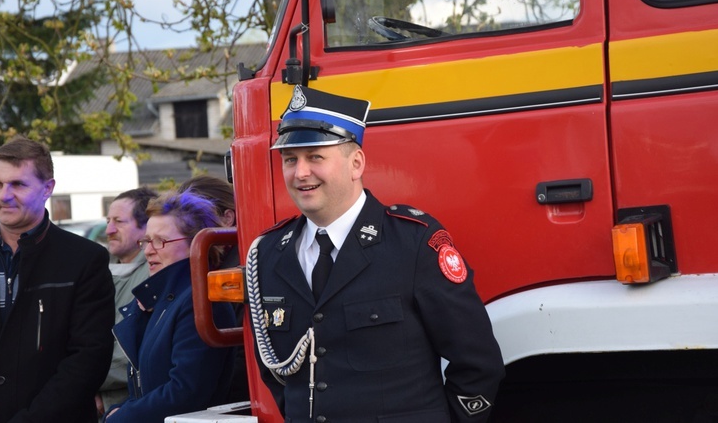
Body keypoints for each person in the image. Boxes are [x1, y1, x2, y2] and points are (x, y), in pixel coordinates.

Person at [247, 86, 505, 422]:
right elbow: (277, 373)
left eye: (315, 157)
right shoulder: (268, 253)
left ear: (356, 164)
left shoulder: (413, 243)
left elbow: (478, 363)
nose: (300, 173)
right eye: (290, 159)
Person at [0, 135, 115, 422]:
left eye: (18, 184)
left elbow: (88, 359)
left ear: (48, 188)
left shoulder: (84, 260)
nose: (3, 195)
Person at [105, 190, 237, 422]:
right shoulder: (164, 300)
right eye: (146, 241)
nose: (148, 250)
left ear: (196, 245)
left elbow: (186, 391)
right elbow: (145, 386)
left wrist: (121, 416)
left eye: (160, 241)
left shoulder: (200, 300)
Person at [178, 174, 250, 405]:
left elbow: (242, 355)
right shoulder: (208, 264)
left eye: (196, 220)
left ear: (228, 218)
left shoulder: (238, 267)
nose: (185, 231)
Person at [96, 186, 158, 417]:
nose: (109, 229)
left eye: (119, 222)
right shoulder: (98, 269)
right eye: (108, 220)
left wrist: (85, 379)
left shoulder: (155, 274)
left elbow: (136, 351)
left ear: (146, 226)